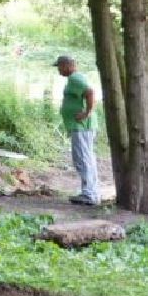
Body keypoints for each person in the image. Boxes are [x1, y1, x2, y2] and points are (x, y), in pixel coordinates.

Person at [55, 55, 99, 205]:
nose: (58, 70)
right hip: (80, 126)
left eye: (59, 67)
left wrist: (87, 112)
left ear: (68, 65)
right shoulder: (75, 78)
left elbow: (90, 92)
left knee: (82, 159)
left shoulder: (75, 78)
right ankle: (91, 192)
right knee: (87, 158)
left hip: (81, 126)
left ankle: (89, 194)